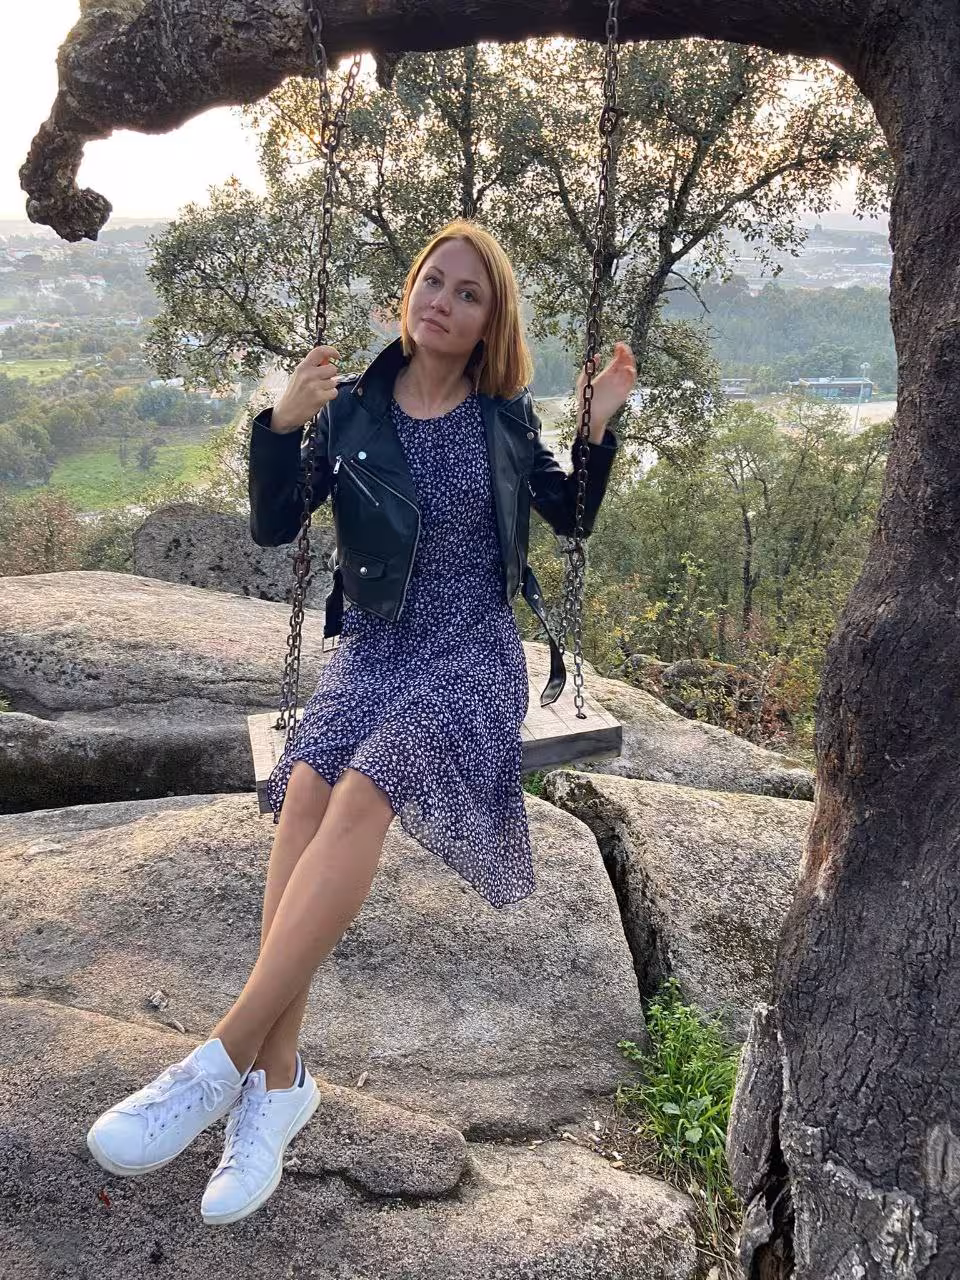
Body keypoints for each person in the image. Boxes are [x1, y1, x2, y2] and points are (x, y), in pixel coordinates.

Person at [84, 220, 637, 1225]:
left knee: (364, 789)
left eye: (469, 293)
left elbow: (573, 517)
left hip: (468, 656)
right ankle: (279, 1082)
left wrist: (598, 427)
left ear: (490, 322)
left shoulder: (505, 419)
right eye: (434, 281)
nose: (444, 302)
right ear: (408, 293)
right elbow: (273, 526)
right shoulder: (351, 412)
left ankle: (219, 1061)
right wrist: (280, 423)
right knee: (304, 789)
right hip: (374, 651)